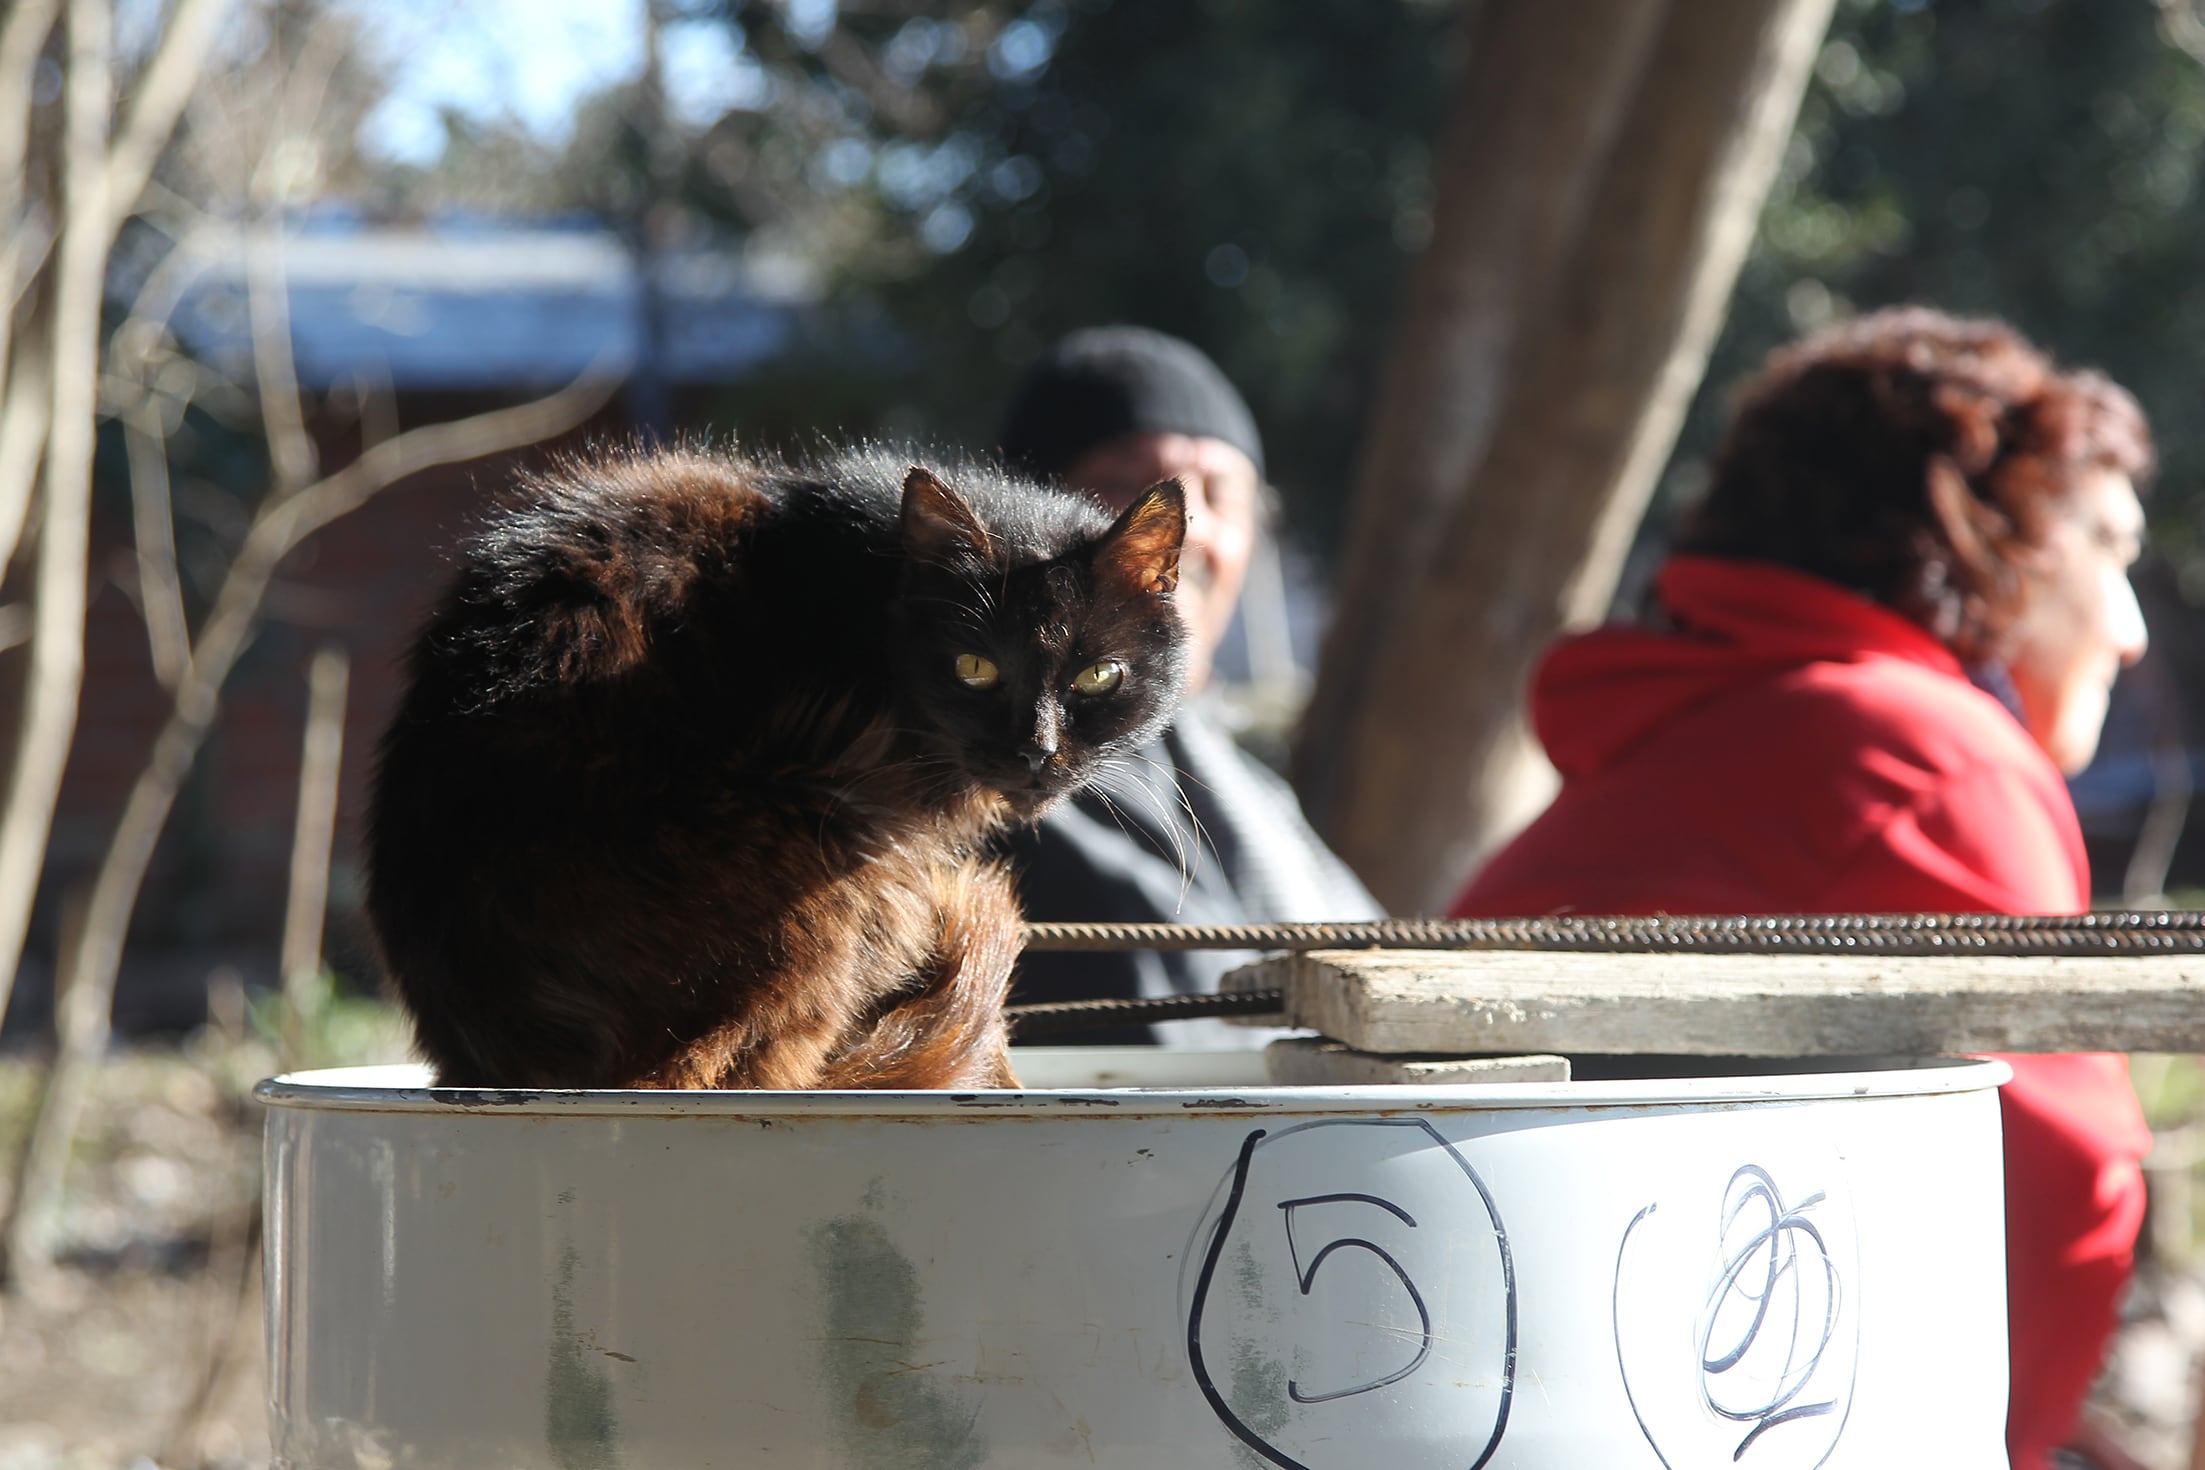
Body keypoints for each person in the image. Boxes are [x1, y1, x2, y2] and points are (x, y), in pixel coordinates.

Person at [1450, 307, 2153, 1470]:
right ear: (2005, 538)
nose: (2130, 631)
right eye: (2112, 547)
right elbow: (2064, 1195)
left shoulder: (1698, 735)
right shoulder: (1929, 759)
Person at [996, 325, 1380, 1044]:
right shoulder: (997, 778)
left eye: (1220, 492)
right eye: (1123, 484)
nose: (1190, 529)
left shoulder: (1253, 797)